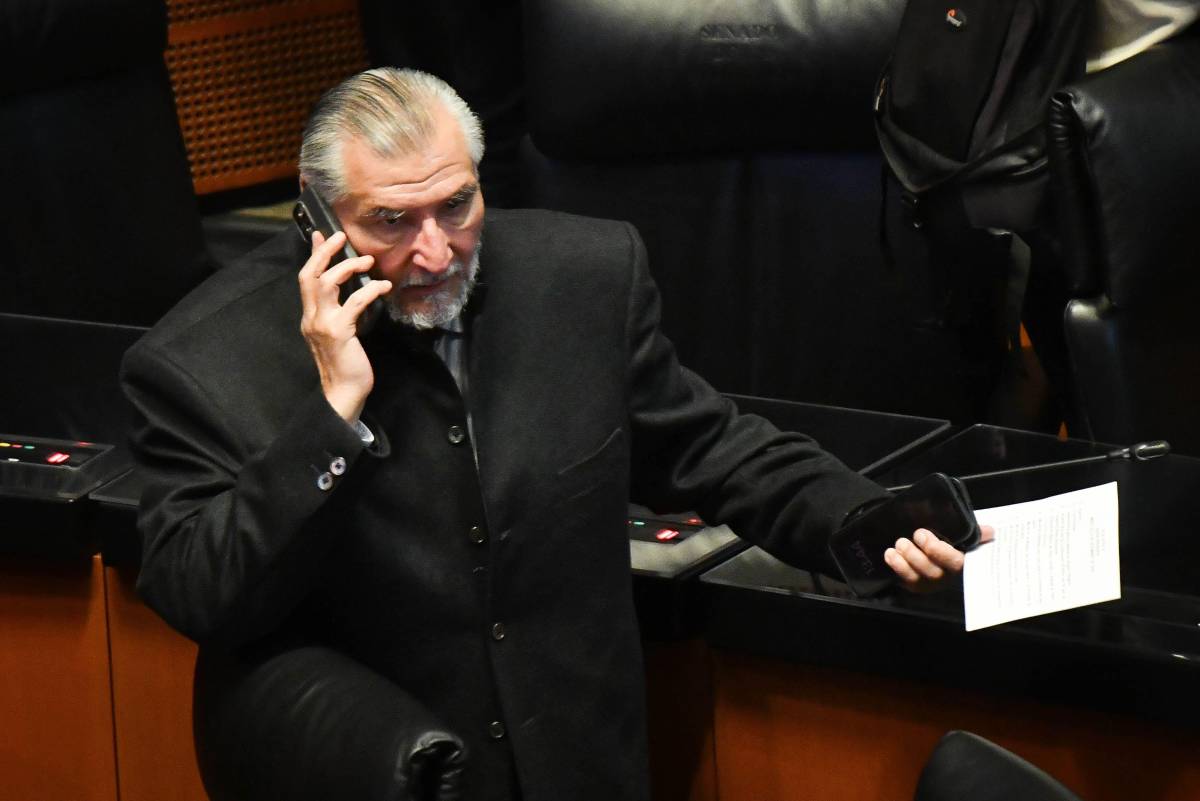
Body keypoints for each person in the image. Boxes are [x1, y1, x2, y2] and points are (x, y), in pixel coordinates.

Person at [121, 68, 984, 801]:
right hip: (390, 773)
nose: (436, 252)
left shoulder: (581, 279)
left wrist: (858, 519)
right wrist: (331, 415)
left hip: (584, 766)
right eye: (391, 221)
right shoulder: (201, 362)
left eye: (456, 204)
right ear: (315, 220)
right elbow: (202, 594)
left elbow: (710, 447)